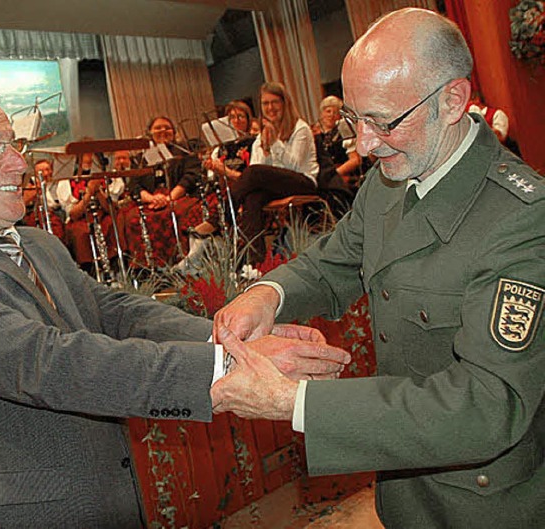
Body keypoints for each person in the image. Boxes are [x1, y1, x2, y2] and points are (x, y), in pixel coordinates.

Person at [0, 84, 351, 528]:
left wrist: (230, 336)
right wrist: (227, 366)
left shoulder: (38, 244)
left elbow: (118, 312)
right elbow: (45, 362)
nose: (19, 163)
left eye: (15, 145)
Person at [211, 8, 544, 529]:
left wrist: (297, 401)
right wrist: (269, 294)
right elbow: (334, 263)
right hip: (405, 491)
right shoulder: (391, 178)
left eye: (384, 122)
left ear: (453, 100)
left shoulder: (523, 219)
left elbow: (486, 405)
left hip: (482, 504)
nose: (364, 144)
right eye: (354, 119)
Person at [230, 82, 319, 262]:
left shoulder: (300, 128)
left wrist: (275, 144)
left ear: (284, 103)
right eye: (265, 104)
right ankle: (255, 263)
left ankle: (224, 212)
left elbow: (294, 165)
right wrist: (265, 149)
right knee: (252, 198)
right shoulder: (262, 134)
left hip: (303, 182)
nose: (270, 108)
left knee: (254, 174)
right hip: (277, 186)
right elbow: (257, 170)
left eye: (274, 102)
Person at [175, 100, 256, 271]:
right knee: (194, 210)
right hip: (223, 191)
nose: (236, 121)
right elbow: (214, 181)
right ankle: (196, 263)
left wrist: (224, 171)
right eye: (231, 117)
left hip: (244, 192)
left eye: (241, 116)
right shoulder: (221, 149)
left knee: (217, 209)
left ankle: (190, 264)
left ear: (249, 120)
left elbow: (252, 177)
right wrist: (214, 170)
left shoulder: (255, 143)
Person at [117, 116, 204, 268]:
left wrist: (170, 198)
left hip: (179, 195)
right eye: (158, 128)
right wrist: (151, 198)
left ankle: (182, 264)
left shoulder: (184, 152)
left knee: (179, 213)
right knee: (132, 218)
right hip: (151, 199)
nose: (163, 130)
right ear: (149, 133)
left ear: (174, 132)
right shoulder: (140, 158)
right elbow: (134, 185)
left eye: (167, 127)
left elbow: (191, 176)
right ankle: (148, 268)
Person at [55, 147, 124, 276]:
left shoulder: (109, 178)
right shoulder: (66, 182)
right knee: (81, 232)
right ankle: (90, 271)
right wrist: (88, 194)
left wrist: (98, 191)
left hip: (103, 214)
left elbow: (111, 210)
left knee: (112, 225)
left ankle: (115, 269)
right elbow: (73, 214)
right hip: (80, 218)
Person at [312, 95, 362, 194]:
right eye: (328, 111)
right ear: (321, 113)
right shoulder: (313, 132)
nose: (331, 115)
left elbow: (355, 160)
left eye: (336, 112)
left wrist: (334, 175)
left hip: (342, 178)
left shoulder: (344, 130)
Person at [20, 158, 65, 242]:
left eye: (47, 169)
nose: (45, 173)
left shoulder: (59, 183)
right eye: (41, 171)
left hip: (59, 212)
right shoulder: (32, 185)